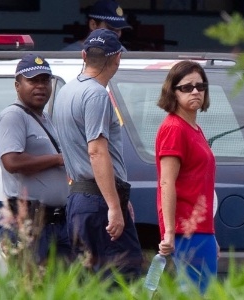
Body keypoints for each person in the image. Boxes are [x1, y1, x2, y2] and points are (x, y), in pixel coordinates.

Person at [53, 29, 143, 282]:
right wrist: (114, 205)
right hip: (97, 201)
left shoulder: (66, 91)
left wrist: (118, 199)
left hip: (79, 198)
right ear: (117, 59)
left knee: (88, 281)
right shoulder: (96, 94)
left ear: (83, 55)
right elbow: (96, 150)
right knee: (120, 278)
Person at [0, 54, 72, 265]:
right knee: (29, 287)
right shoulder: (13, 116)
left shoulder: (45, 117)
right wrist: (57, 159)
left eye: (45, 80)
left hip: (57, 222)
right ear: (17, 86)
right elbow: (12, 162)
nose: (40, 86)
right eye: (33, 81)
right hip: (28, 222)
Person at [154, 60, 218, 293]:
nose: (195, 92)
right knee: (194, 292)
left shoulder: (194, 128)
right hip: (184, 230)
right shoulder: (174, 128)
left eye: (200, 87)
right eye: (187, 87)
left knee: (204, 292)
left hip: (202, 229)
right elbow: (166, 182)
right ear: (172, 91)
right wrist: (169, 232)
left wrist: (211, 234)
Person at [61, 0, 131, 51]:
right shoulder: (71, 54)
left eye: (119, 30)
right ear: (93, 25)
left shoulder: (121, 51)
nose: (116, 34)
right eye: (111, 28)